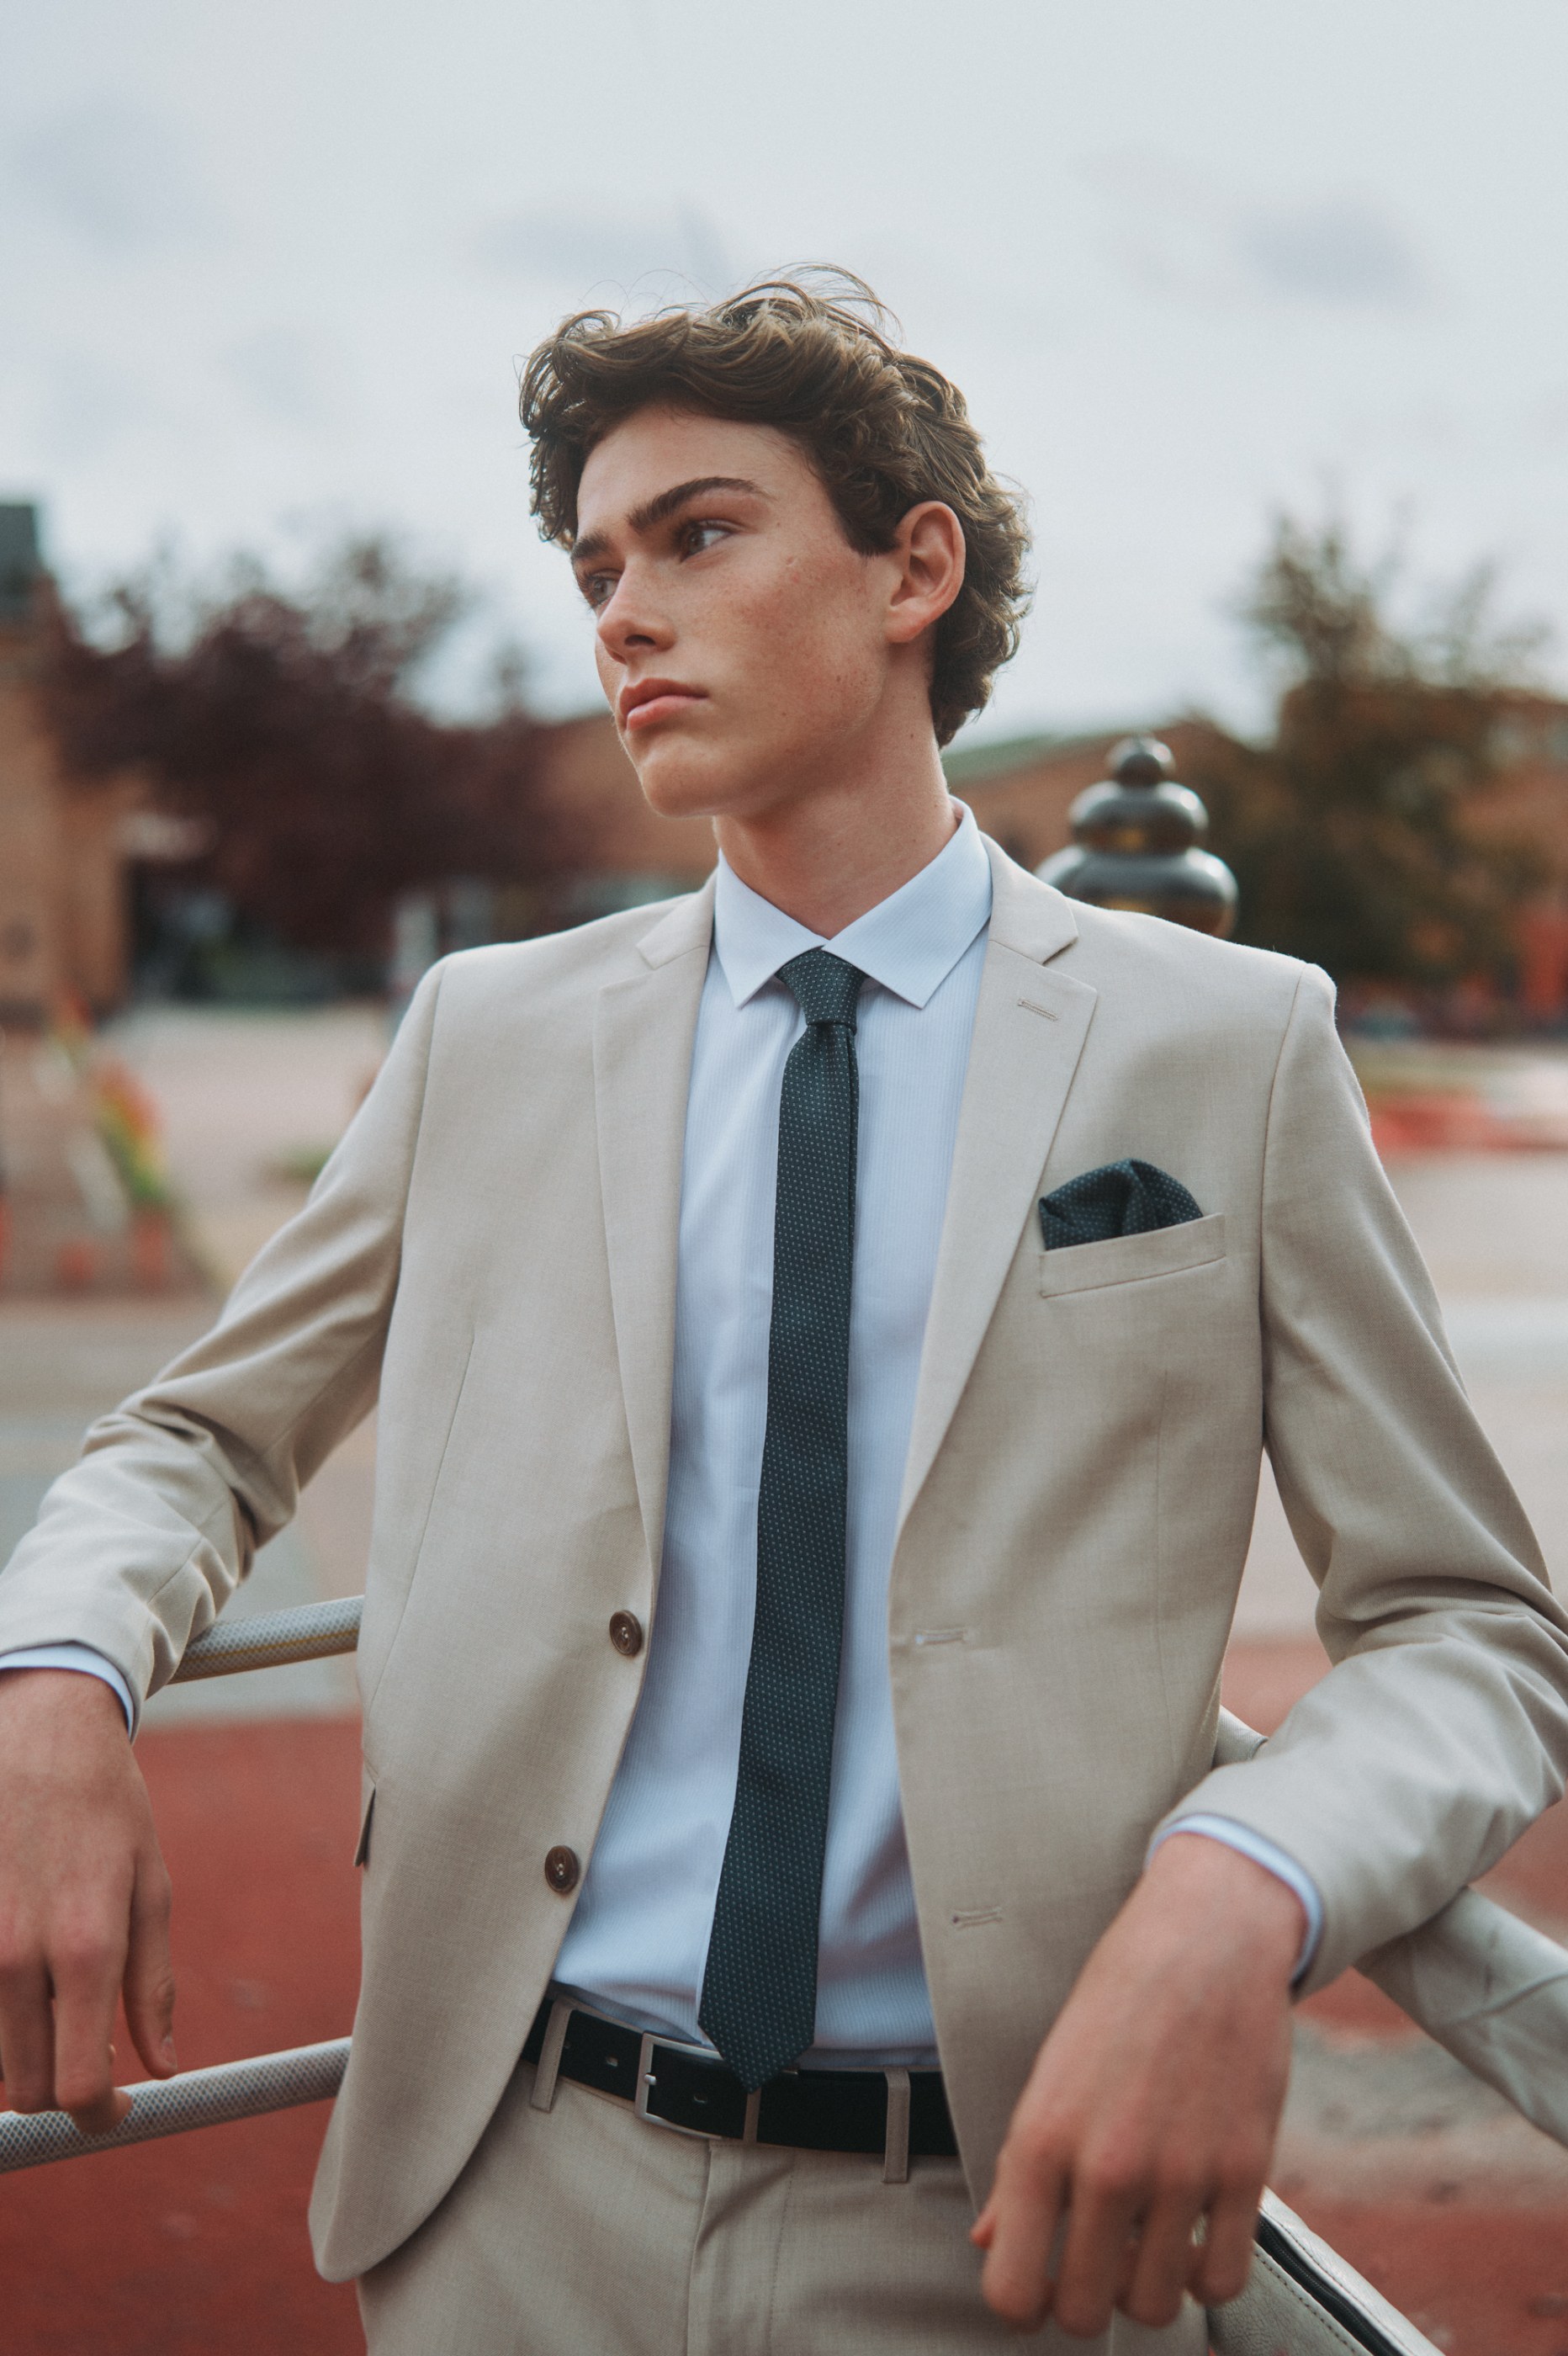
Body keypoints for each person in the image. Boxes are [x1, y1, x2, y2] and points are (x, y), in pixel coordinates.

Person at [0, 275, 1565, 2355]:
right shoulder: (490, 1032)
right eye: (596, 563)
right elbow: (193, 1439)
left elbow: (1469, 1623)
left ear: (911, 564)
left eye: (698, 533)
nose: (621, 613)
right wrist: (60, 1675)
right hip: (503, 2195)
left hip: (999, 2228)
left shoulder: (1226, 1043)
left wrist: (1236, 1877)